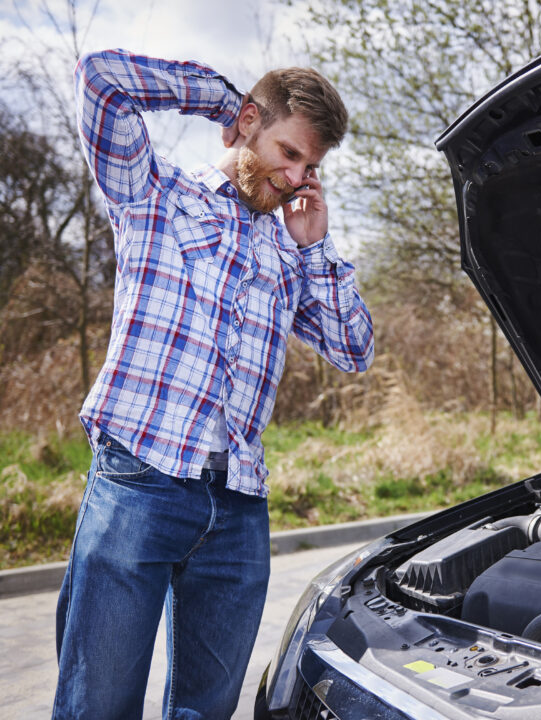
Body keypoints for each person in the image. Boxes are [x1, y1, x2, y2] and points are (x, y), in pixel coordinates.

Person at [53, 49, 374, 720]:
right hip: (140, 480)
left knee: (207, 711)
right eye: (288, 153)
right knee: (99, 705)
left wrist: (316, 247)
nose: (295, 178)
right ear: (250, 123)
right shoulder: (153, 192)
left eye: (310, 167)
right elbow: (100, 81)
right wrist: (222, 100)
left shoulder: (289, 252)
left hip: (238, 506)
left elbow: (355, 347)